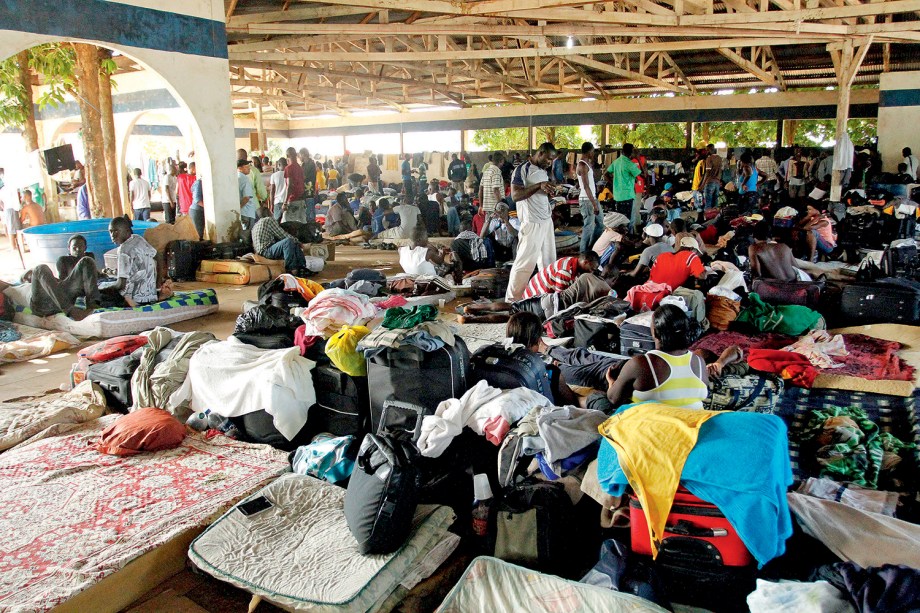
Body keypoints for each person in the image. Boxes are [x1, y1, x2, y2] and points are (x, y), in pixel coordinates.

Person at [601, 304, 709, 412]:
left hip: (655, 426)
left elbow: (613, 399)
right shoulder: (699, 361)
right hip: (693, 425)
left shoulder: (641, 363)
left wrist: (611, 381)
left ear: (654, 331)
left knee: (597, 399)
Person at [506, 142, 559, 301]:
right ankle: (512, 300)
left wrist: (549, 192)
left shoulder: (542, 171)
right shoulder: (522, 169)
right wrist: (539, 186)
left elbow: (539, 192)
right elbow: (515, 196)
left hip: (546, 222)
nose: (549, 163)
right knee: (524, 264)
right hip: (532, 223)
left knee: (549, 262)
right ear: (540, 153)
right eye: (548, 159)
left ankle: (547, 298)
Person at [505, 311, 578, 406]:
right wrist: (556, 374)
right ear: (538, 340)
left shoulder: (495, 361)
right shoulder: (548, 371)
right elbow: (572, 405)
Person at [103, 216, 168, 308]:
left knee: (101, 297)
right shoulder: (137, 238)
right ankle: (158, 296)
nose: (113, 235)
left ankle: (130, 302)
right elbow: (158, 256)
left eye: (116, 231)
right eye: (111, 231)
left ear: (127, 231)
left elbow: (121, 285)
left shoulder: (123, 251)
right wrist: (157, 285)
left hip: (134, 298)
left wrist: (102, 289)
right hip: (150, 295)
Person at [252, 206, 307, 273]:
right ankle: (292, 269)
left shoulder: (255, 225)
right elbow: (282, 235)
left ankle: (302, 268)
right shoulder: (268, 220)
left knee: (293, 243)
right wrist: (299, 242)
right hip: (266, 251)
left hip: (260, 252)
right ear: (268, 213)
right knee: (288, 241)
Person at [523, 252, 600, 300]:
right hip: (533, 299)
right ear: (585, 262)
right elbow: (560, 298)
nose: (591, 272)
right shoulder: (565, 271)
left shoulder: (572, 261)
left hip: (541, 294)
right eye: (592, 269)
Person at [577, 142, 603, 254]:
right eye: (593, 151)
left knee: (601, 224)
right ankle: (583, 252)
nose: (594, 153)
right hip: (587, 200)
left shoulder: (587, 164)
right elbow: (586, 186)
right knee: (589, 226)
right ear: (589, 151)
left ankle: (591, 247)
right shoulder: (582, 165)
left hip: (591, 198)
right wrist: (594, 204)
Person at [607, 143, 641, 223]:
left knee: (621, 221)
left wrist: (614, 183)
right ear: (631, 152)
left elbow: (606, 174)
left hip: (618, 196)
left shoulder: (616, 162)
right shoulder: (629, 164)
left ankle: (621, 235)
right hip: (628, 196)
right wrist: (638, 159)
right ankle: (628, 235)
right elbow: (643, 175)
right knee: (629, 222)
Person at [284, 147, 307, 223]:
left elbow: (289, 186)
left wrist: (285, 202)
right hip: (302, 200)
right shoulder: (300, 168)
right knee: (303, 225)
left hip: (293, 200)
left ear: (287, 156)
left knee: (288, 225)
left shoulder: (288, 168)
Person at [238, 159, 257, 243]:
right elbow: (246, 197)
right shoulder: (244, 179)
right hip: (247, 212)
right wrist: (239, 208)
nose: (249, 168)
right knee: (248, 236)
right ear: (240, 168)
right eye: (247, 166)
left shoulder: (237, 177)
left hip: (243, 212)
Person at [189, 169, 205, 240]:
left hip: (200, 210)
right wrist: (208, 208)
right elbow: (197, 200)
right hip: (197, 211)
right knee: (199, 234)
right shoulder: (199, 183)